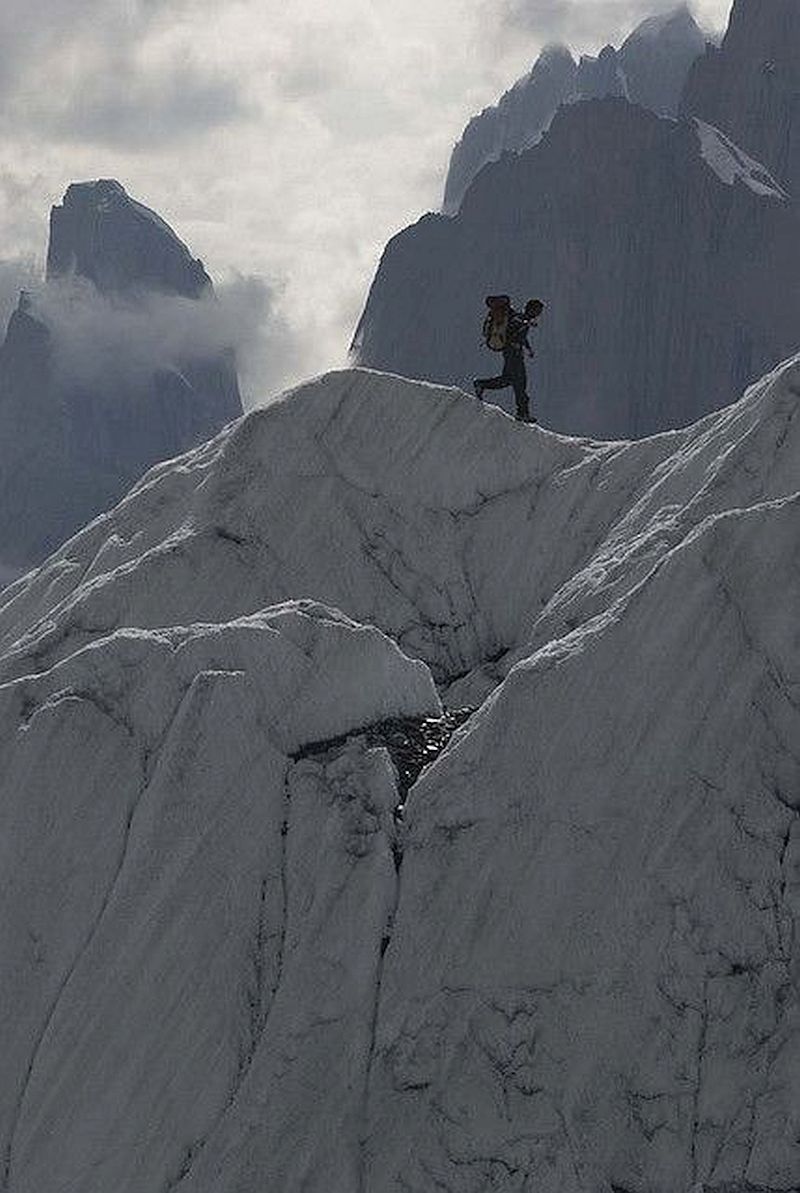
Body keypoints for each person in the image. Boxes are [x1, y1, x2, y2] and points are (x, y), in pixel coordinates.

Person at [474, 298, 544, 423]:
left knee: (507, 379)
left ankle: (481, 384)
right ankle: (522, 413)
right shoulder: (519, 317)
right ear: (532, 309)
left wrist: (528, 349)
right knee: (520, 383)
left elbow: (520, 336)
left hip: (512, 352)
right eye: (538, 310)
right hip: (513, 354)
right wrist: (527, 323)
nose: (539, 313)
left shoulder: (521, 318)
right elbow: (518, 323)